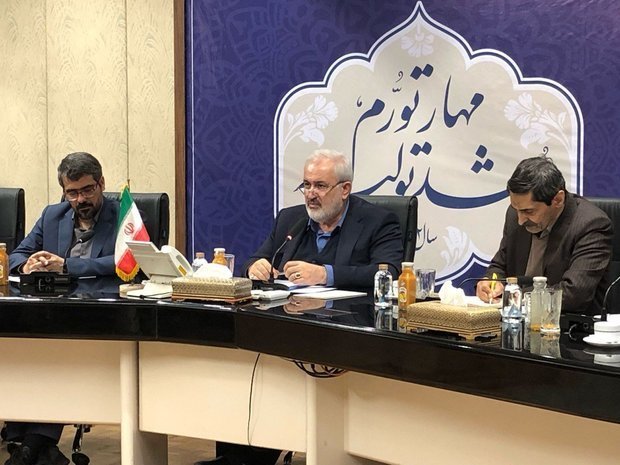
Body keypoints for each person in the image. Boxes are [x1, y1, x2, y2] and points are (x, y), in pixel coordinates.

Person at [198, 149, 404, 465]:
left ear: (345, 189)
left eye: (320, 186)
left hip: (348, 335)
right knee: (247, 367)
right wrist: (256, 266)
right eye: (306, 185)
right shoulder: (290, 219)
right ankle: (242, 456)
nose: (310, 194)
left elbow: (388, 271)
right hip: (288, 328)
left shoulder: (378, 221)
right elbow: (258, 257)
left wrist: (325, 274)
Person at [5, 152, 119, 465]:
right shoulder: (52, 215)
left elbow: (126, 261)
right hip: (51, 312)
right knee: (25, 350)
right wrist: (28, 264)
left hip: (98, 316)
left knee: (57, 356)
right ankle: (36, 447)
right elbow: (18, 254)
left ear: (101, 183)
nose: (80, 199)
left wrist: (67, 265)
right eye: (72, 193)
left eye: (87, 190)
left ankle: (28, 445)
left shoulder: (124, 216)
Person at [476, 155, 612, 314]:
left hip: (566, 324)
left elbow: (573, 294)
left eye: (529, 211)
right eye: (516, 209)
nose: (520, 220)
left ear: (558, 200)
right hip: (516, 321)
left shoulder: (591, 224)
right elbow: (500, 265)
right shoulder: (515, 215)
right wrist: (490, 282)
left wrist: (514, 296)